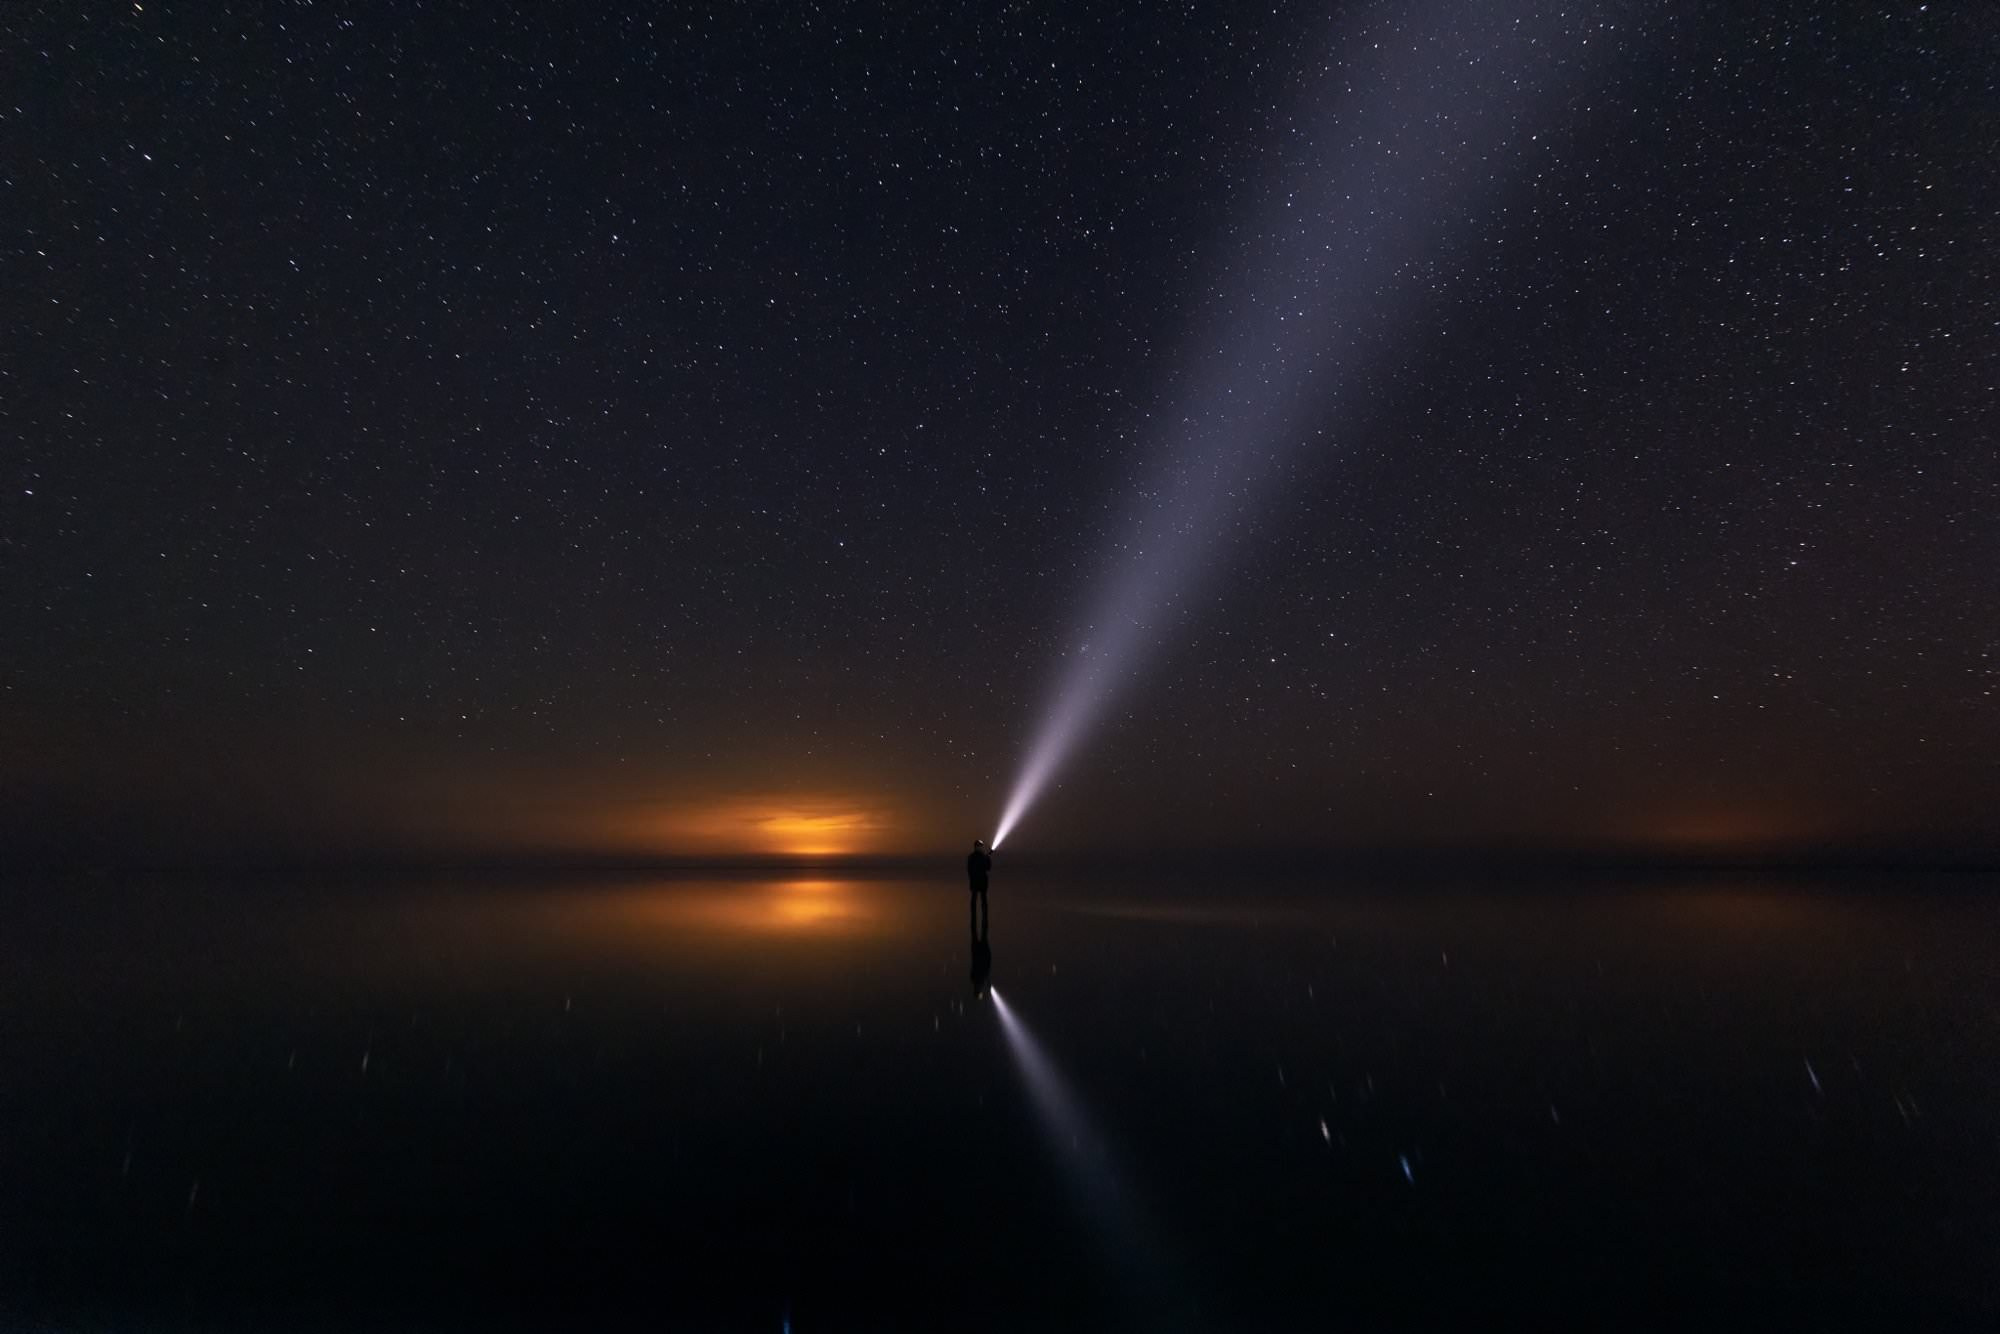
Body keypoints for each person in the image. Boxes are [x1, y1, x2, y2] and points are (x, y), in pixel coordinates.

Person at [966, 838, 992, 936]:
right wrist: (987, 858)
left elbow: (988, 868)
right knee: (979, 899)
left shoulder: (973, 857)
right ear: (976, 847)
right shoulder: (978, 857)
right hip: (979, 881)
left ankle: (978, 919)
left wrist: (987, 858)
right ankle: (979, 919)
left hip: (978, 881)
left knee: (979, 899)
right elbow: (987, 868)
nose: (980, 847)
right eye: (979, 846)